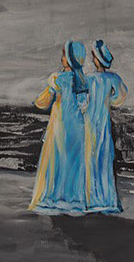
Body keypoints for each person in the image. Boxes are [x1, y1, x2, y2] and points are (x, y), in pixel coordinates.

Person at [29, 40, 90, 214]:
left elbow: (42, 102)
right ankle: (74, 200)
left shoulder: (57, 79)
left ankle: (54, 197)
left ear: (70, 58)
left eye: (64, 54)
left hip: (60, 126)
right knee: (74, 162)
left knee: (56, 159)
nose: (61, 58)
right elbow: (84, 105)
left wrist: (36, 102)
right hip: (77, 128)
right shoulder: (82, 81)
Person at [84, 39, 127, 214]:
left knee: (90, 158)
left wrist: (85, 106)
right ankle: (107, 199)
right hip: (103, 120)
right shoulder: (113, 78)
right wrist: (109, 101)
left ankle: (91, 199)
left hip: (90, 121)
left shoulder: (89, 78)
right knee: (105, 159)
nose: (92, 59)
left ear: (97, 59)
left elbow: (81, 98)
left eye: (94, 56)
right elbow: (121, 96)